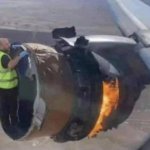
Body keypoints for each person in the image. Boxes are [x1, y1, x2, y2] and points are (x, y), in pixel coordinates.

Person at [0, 38, 29, 127]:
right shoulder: (3, 57)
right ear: (1, 46)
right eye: (7, 44)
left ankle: (6, 126)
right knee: (13, 108)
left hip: (1, 87)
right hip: (9, 88)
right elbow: (10, 65)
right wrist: (20, 56)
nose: (9, 45)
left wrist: (13, 46)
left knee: (3, 108)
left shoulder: (2, 54)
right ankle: (14, 126)